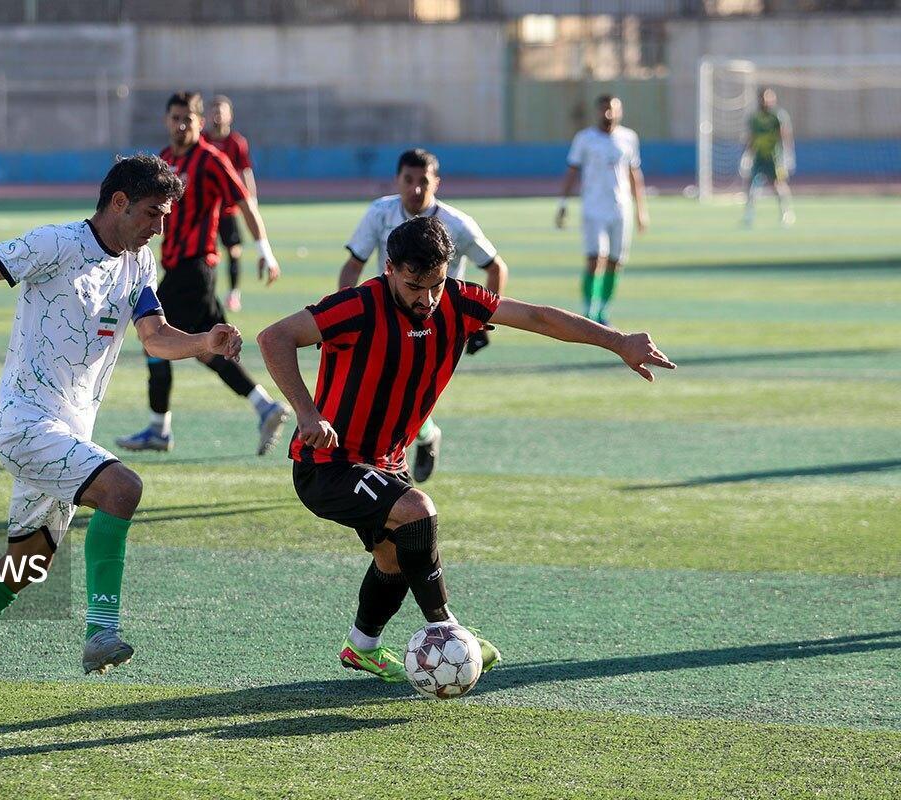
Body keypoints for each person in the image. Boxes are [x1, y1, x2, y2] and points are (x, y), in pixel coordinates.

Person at [257, 216, 673, 685]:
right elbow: (274, 337)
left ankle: (362, 647)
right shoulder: (357, 306)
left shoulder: (459, 301)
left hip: (386, 461)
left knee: (394, 556)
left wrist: (617, 341)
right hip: (327, 463)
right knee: (417, 511)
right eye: (415, 286)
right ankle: (448, 629)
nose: (426, 298)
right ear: (390, 268)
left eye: (435, 284)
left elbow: (537, 317)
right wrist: (308, 414)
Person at [0, 155, 244, 698]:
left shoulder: (140, 265)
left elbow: (154, 337)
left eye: (165, 217)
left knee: (30, 558)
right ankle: (102, 632)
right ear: (119, 203)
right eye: (152, 214)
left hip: (71, 431)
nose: (159, 228)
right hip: (27, 424)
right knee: (124, 487)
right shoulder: (55, 244)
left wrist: (204, 343)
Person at [117, 91, 289, 456]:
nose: (181, 126)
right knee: (212, 348)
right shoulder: (162, 161)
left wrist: (265, 251)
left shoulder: (211, 160)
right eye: (175, 118)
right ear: (167, 120)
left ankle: (158, 427)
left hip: (195, 268)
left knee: (154, 336)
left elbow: (244, 201)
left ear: (200, 123)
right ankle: (265, 406)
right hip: (179, 267)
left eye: (188, 120)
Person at [338, 148, 510, 483]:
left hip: (439, 321)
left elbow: (495, 268)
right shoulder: (379, 213)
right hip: (389, 314)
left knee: (410, 397)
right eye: (409, 180)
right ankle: (403, 455)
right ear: (397, 180)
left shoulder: (458, 224)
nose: (416, 189)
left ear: (437, 183)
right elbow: (352, 266)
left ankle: (410, 450)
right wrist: (346, 312)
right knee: (386, 391)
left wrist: (481, 326)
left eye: (424, 181)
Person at [556, 94, 649, 327]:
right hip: (593, 208)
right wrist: (563, 205)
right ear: (597, 112)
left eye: (613, 110)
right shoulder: (585, 139)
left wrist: (641, 210)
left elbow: (634, 174)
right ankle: (589, 311)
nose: (608, 114)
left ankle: (603, 311)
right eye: (604, 110)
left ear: (620, 111)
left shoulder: (629, 138)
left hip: (620, 209)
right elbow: (572, 171)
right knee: (594, 258)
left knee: (615, 262)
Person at [204, 94, 257, 312]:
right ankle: (207, 293)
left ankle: (234, 293)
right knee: (205, 254)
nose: (217, 114)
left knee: (234, 251)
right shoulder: (202, 140)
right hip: (206, 210)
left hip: (228, 209)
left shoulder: (236, 142)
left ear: (230, 115)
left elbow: (245, 172)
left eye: (221, 110)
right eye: (214, 110)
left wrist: (251, 201)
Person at [741, 87, 795, 227]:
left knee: (778, 186)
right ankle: (749, 215)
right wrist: (746, 156)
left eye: (770, 98)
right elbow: (751, 138)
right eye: (764, 98)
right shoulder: (754, 118)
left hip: (774, 157)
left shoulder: (778, 116)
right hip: (759, 157)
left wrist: (787, 155)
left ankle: (786, 213)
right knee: (752, 187)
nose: (767, 101)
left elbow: (785, 136)